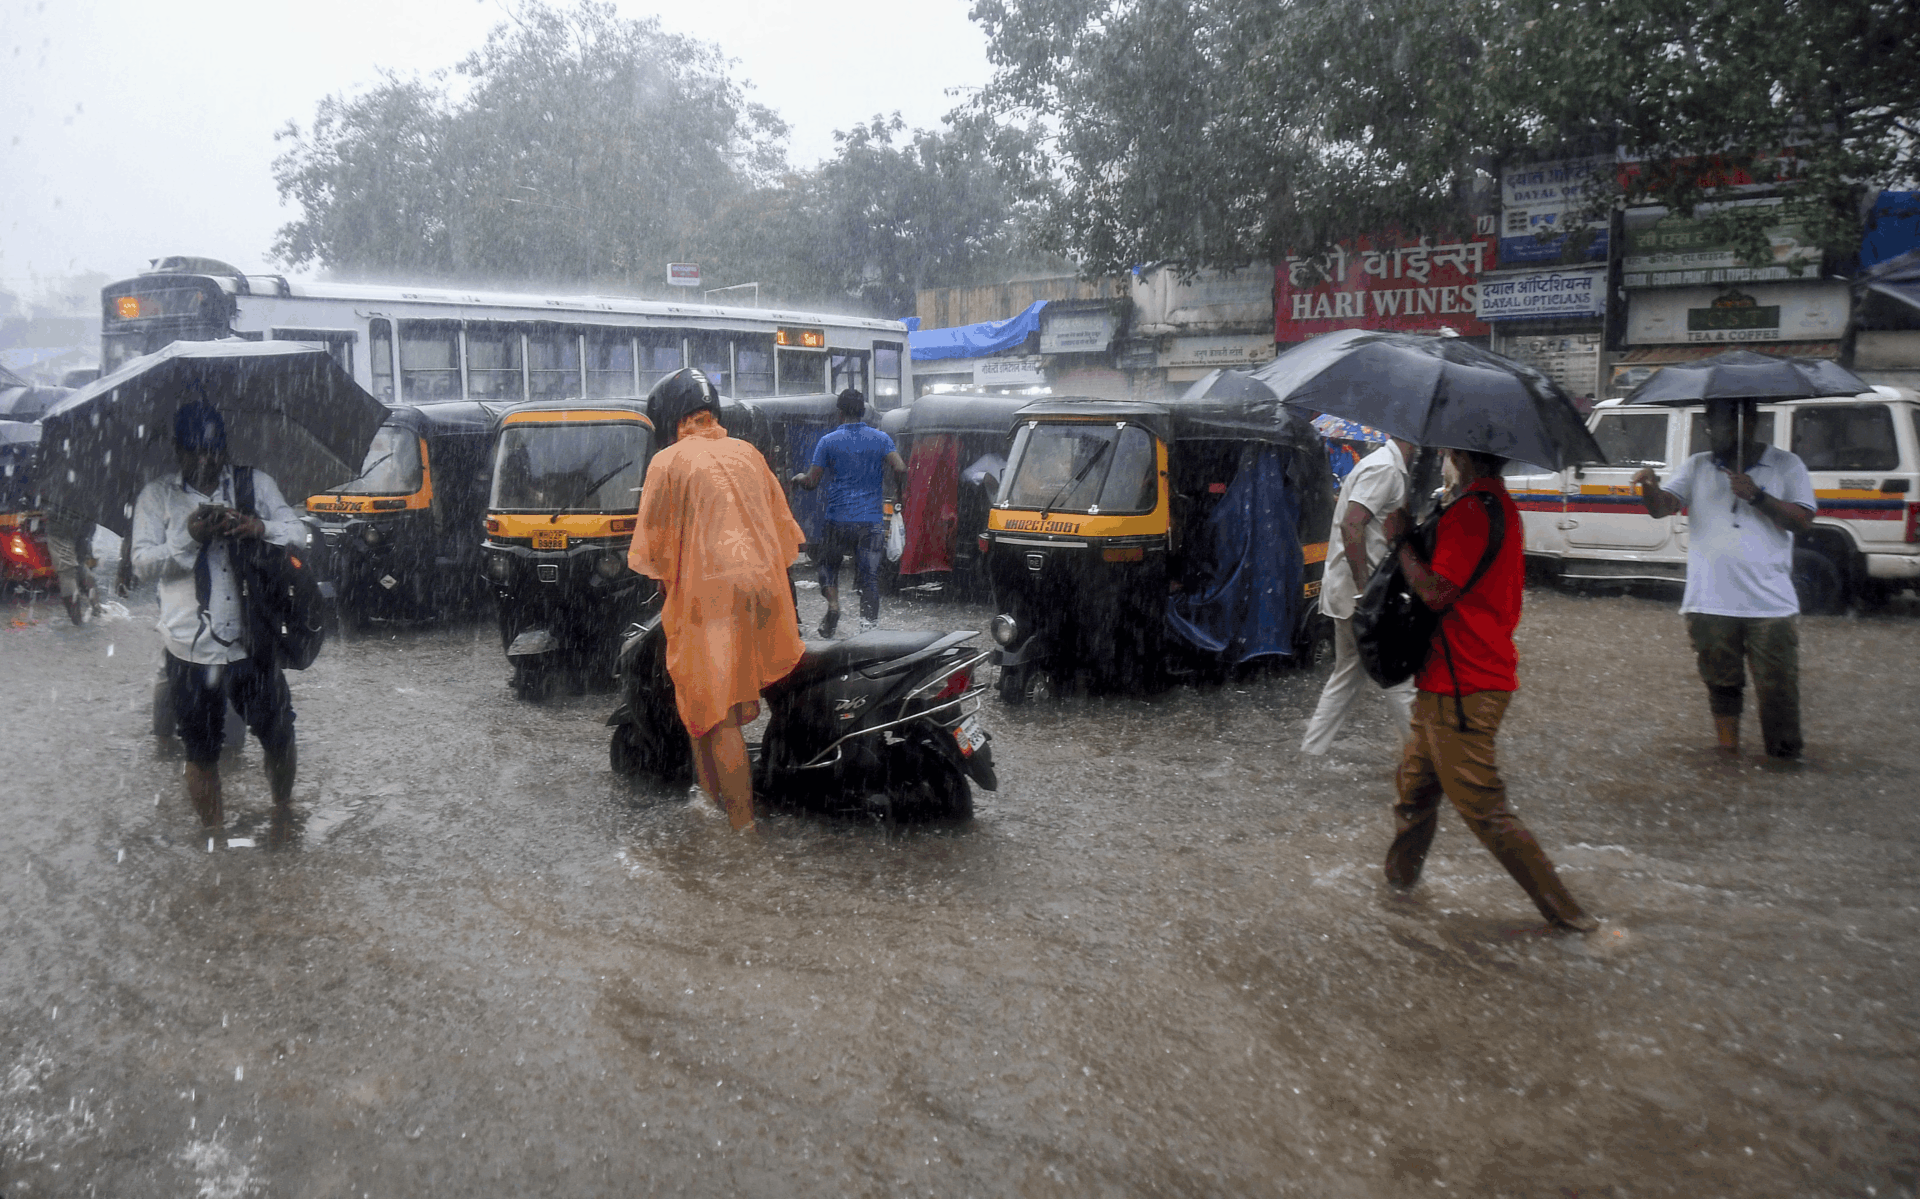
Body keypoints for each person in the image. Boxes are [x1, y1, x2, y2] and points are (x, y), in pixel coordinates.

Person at [1378, 448, 1597, 933]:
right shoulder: (1488, 502)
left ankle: (1574, 920)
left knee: (1483, 808)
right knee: (1413, 794)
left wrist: (1400, 544)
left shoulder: (1474, 511)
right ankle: (1397, 897)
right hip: (1447, 680)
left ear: (1459, 453)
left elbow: (1436, 592)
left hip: (1464, 684)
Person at [629, 369, 807, 832]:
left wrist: (671, 589)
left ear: (672, 417)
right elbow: (785, 532)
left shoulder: (668, 461)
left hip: (713, 591)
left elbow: (657, 550)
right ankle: (708, 806)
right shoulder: (748, 452)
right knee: (701, 700)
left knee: (718, 711)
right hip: (765, 586)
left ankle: (740, 831)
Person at [130, 398, 305, 841]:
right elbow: (142, 565)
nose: (206, 460)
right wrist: (188, 540)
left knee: (279, 735)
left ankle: (284, 813)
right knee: (202, 752)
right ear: (178, 449)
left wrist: (259, 528)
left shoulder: (254, 485)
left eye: (214, 449)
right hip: (189, 648)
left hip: (254, 641)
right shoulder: (157, 496)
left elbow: (300, 531)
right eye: (195, 450)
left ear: (225, 447)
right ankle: (216, 840)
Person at [1632, 397, 1815, 761]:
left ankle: (1783, 763)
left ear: (1749, 423)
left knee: (1778, 690)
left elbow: (1803, 521)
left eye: (1722, 423)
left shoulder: (1786, 464)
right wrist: (1650, 489)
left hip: (1771, 604)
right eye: (1710, 424)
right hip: (1709, 600)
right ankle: (1727, 757)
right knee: (1721, 685)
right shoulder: (1697, 465)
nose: (1713, 432)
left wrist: (1758, 496)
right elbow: (1662, 509)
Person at [1300, 435, 1417, 755]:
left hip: (1351, 594)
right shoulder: (1385, 470)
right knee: (1398, 679)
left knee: (1347, 677)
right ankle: (1428, 768)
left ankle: (1310, 754)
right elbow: (1352, 525)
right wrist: (1366, 591)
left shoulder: (1382, 466)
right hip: (1364, 598)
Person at [790, 388, 905, 637]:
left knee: (828, 566)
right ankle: (868, 629)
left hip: (838, 518)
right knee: (869, 575)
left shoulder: (829, 441)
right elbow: (900, 467)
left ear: (839, 413)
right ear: (863, 412)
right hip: (870, 521)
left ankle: (833, 606)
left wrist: (798, 478)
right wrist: (898, 493)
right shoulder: (881, 438)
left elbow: (812, 482)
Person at [44, 501, 100, 625]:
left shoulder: (57, 484)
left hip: (61, 523)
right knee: (80, 564)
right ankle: (97, 609)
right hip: (86, 523)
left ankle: (77, 623)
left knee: (67, 572)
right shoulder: (91, 484)